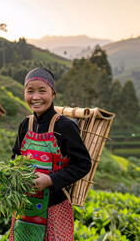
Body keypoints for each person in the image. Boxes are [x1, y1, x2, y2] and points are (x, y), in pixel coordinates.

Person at [9, 68, 92, 241]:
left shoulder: (64, 126)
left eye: (42, 90)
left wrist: (49, 180)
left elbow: (83, 164)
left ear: (53, 94)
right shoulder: (25, 124)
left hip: (54, 208)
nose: (36, 97)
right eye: (30, 91)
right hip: (25, 208)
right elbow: (16, 157)